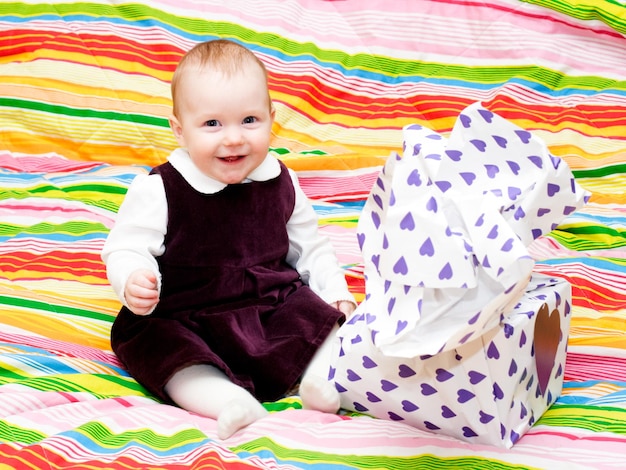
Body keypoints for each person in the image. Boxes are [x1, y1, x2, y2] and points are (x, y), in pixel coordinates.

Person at [101, 39, 356, 440]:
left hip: (270, 304)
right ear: (180, 130)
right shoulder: (161, 189)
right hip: (186, 311)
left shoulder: (280, 180)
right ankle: (227, 400)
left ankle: (323, 383)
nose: (234, 138)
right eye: (212, 124)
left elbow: (311, 247)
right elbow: (125, 245)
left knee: (328, 323)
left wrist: (335, 291)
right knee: (161, 348)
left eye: (249, 120)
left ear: (272, 119)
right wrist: (133, 275)